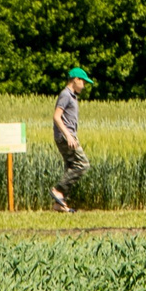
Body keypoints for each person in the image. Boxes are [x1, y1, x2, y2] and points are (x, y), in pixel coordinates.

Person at [50, 66, 93, 212]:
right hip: (65, 137)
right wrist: (68, 135)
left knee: (70, 166)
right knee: (82, 164)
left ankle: (59, 205)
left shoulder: (72, 96)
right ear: (76, 80)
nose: (84, 85)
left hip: (67, 136)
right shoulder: (66, 95)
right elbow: (56, 116)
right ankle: (58, 190)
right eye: (83, 82)